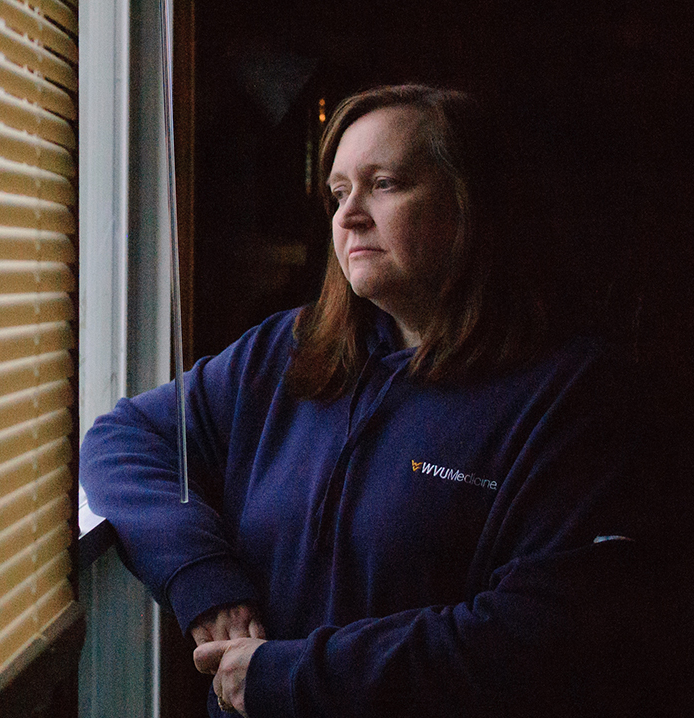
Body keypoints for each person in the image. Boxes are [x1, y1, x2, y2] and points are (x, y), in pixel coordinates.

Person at [79, 85, 659, 717]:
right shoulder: (288, 350)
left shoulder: (577, 399)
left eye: (384, 184)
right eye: (338, 192)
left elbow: (534, 635)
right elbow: (124, 439)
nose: (348, 214)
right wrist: (203, 579)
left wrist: (292, 677)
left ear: (472, 206)